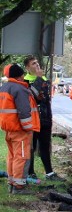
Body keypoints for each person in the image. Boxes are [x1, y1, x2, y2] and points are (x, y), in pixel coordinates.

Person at [0, 64, 40, 194]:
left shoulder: (4, 87)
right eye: (22, 74)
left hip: (9, 128)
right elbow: (24, 111)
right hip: (20, 130)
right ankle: (19, 187)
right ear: (20, 75)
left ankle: (12, 183)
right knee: (21, 157)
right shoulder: (19, 89)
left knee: (12, 156)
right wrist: (28, 128)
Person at [23, 56, 62, 182]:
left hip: (45, 118)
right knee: (31, 146)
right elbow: (32, 96)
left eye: (37, 63)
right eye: (34, 64)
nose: (37, 65)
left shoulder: (44, 79)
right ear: (27, 68)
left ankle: (49, 172)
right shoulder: (25, 81)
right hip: (33, 120)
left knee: (45, 145)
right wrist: (39, 79)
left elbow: (46, 99)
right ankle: (31, 172)